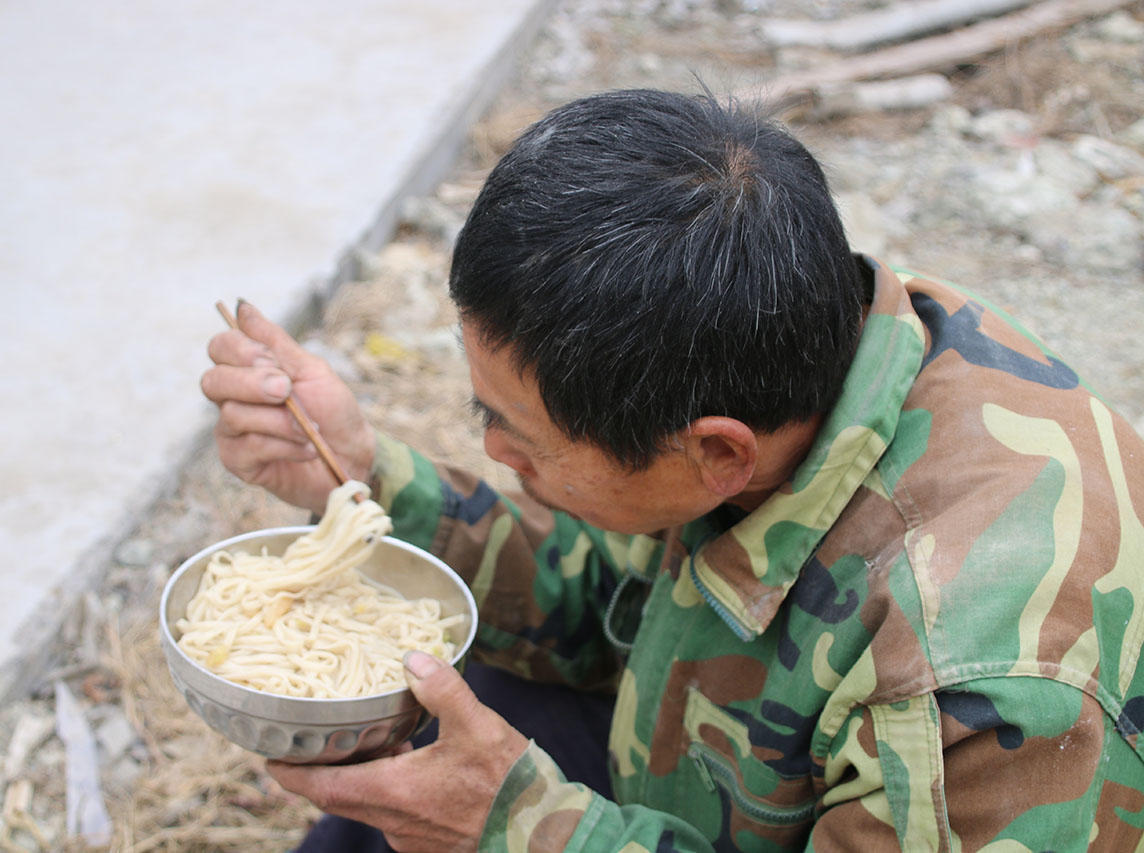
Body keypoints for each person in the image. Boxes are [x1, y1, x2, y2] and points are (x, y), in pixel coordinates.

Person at [201, 89, 1144, 852]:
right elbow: (617, 595)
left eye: (519, 433)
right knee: (460, 705)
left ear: (717, 453)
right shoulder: (808, 343)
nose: (494, 449)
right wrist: (361, 478)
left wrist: (526, 831)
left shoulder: (972, 697)